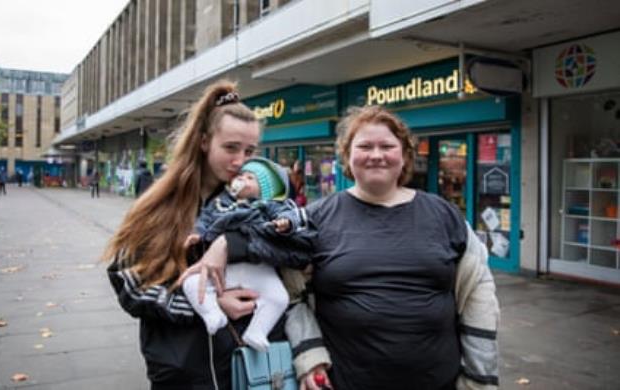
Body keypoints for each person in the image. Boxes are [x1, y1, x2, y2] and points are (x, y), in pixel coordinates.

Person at [191, 105, 500, 390]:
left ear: (404, 155)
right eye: (364, 146)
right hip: (345, 382)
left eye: (387, 146)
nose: (376, 155)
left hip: (439, 382)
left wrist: (479, 377)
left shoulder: (444, 215)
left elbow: (478, 293)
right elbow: (293, 294)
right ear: (347, 156)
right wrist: (309, 356)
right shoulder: (316, 217)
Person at [103, 80, 330, 390]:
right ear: (204, 141)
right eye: (231, 148)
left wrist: (231, 244)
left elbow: (301, 251)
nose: (240, 161)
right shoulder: (159, 207)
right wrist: (209, 304)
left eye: (249, 150)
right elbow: (129, 284)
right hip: (184, 373)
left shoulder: (261, 203)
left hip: (257, 371)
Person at [183, 156, 313, 352]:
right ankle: (211, 314)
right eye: (241, 175)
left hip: (258, 270)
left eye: (250, 178)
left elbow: (289, 216)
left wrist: (285, 223)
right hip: (223, 271)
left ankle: (257, 331)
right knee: (192, 283)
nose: (242, 179)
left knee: (278, 298)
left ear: (265, 189)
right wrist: (197, 234)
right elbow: (204, 219)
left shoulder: (267, 206)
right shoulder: (221, 203)